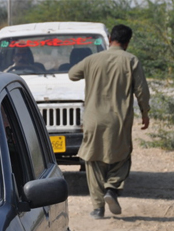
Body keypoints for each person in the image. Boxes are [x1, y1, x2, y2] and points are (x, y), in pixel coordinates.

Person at [68, 24, 150, 219]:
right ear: (127, 42)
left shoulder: (92, 59)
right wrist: (145, 113)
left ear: (110, 38)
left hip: (93, 120)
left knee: (93, 161)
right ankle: (112, 189)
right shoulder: (131, 60)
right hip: (118, 120)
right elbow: (142, 91)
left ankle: (97, 208)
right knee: (122, 157)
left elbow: (72, 74)